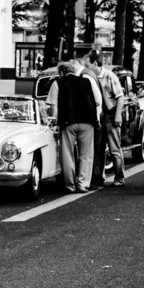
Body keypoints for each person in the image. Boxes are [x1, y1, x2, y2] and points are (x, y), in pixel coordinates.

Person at [84, 50, 126, 187]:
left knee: (114, 148)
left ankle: (119, 177)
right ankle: (98, 177)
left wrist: (118, 114)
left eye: (88, 65)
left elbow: (120, 96)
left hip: (111, 114)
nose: (86, 68)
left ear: (95, 63)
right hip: (99, 116)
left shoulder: (109, 76)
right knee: (98, 148)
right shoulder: (89, 78)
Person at [56, 62, 98, 193]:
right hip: (87, 121)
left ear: (61, 72)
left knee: (67, 154)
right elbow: (96, 101)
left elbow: (53, 105)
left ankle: (70, 185)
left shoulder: (58, 82)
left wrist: (54, 122)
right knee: (86, 154)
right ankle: (83, 184)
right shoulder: (86, 82)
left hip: (68, 122)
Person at [71, 58, 106, 190]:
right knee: (92, 151)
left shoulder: (85, 77)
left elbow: (97, 100)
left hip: (93, 118)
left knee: (92, 151)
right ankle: (92, 179)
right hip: (93, 118)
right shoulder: (88, 75)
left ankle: (94, 179)